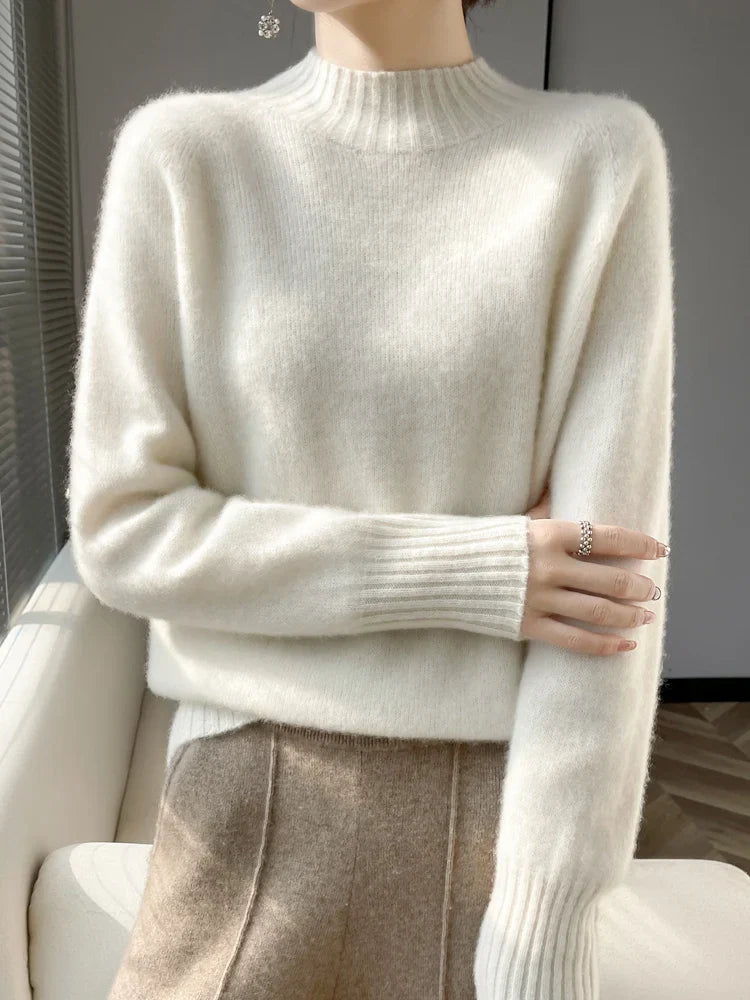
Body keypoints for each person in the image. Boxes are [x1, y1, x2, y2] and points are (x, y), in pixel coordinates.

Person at [66, 0, 674, 997]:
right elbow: (122, 531)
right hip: (238, 795)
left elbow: (608, 595)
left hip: (492, 816)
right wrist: (480, 571)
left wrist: (546, 917)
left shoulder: (598, 160)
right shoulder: (183, 155)